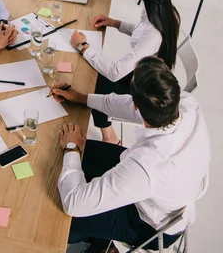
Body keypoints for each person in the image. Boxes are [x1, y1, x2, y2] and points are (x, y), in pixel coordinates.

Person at [51, 56, 210, 253]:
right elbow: (129, 105)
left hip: (147, 225)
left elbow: (73, 203)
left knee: (56, 214)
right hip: (165, 192)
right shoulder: (187, 104)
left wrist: (72, 147)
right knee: (76, 156)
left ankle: (100, 246)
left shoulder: (147, 166)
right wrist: (83, 98)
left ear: (137, 107)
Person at [70, 0, 180, 145]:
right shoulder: (164, 10)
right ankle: (107, 131)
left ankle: (110, 136)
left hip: (144, 89)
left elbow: (115, 72)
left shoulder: (153, 32)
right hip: (149, 72)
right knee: (95, 70)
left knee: (97, 80)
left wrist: (83, 47)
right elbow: (141, 33)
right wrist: (115, 23)